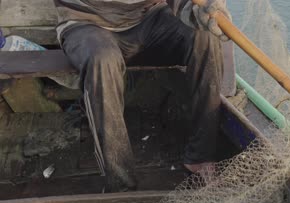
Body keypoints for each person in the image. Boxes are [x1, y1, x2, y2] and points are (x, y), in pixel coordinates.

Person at [53, 0, 231, 191]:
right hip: (87, 22)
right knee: (102, 60)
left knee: (206, 38)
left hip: (150, 17)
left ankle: (200, 158)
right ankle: (120, 182)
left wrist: (201, 10)